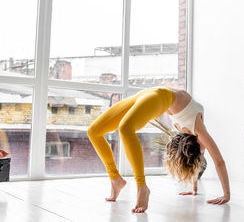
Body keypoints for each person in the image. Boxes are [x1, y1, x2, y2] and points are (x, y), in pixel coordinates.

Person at [87, 86, 230, 213]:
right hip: (153, 95)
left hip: (152, 95)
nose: (203, 152)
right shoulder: (199, 130)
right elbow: (219, 162)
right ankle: (134, 184)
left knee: (116, 129)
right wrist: (226, 195)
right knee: (95, 131)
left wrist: (194, 188)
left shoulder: (191, 134)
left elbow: (197, 160)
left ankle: (123, 181)